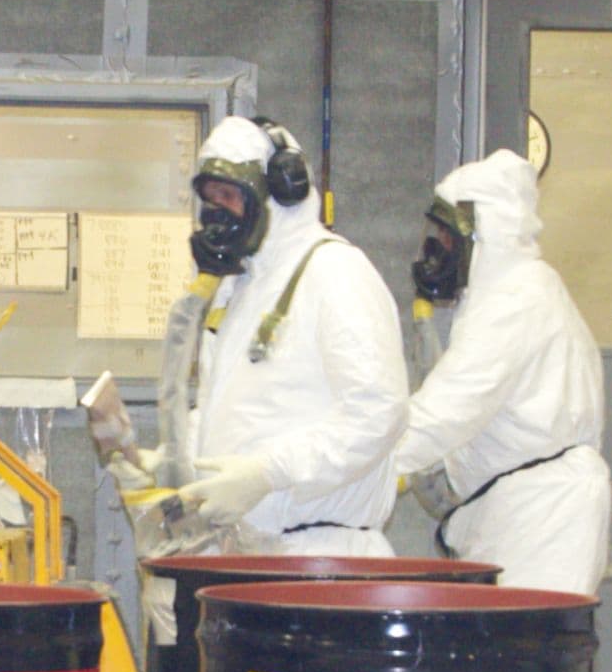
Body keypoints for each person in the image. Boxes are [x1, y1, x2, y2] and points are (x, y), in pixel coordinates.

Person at [101, 116, 406, 558]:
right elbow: (232, 409)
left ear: (280, 192)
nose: (217, 213)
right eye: (209, 199)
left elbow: (379, 412)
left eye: (230, 196)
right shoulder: (240, 287)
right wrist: (172, 464)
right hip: (252, 552)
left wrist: (268, 473)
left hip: (323, 556)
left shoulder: (334, 272)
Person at [393, 149, 612, 595]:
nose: (435, 250)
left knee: (524, 656)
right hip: (520, 512)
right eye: (432, 234)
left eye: (447, 237)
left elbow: (446, 411)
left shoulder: (517, 299)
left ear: (485, 237)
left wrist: (354, 469)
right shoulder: (504, 294)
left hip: (542, 518)